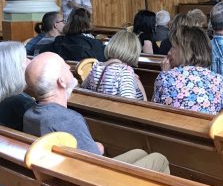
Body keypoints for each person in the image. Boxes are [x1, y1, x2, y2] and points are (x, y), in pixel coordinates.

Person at [24, 52, 170, 172]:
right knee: (159, 158)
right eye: (64, 65)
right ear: (61, 82)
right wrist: (97, 148)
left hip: (66, 170)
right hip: (92, 182)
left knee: (141, 153)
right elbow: (94, 163)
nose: (69, 66)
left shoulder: (30, 114)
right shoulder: (68, 119)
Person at [153, 26, 223, 114]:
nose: (169, 52)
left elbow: (154, 111)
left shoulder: (165, 77)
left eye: (173, 47)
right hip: (208, 127)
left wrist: (165, 73)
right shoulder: (219, 80)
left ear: (185, 51)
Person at [82, 30, 147, 100]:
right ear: (134, 52)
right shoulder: (125, 72)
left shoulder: (96, 67)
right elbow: (129, 102)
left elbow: (83, 89)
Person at [40, 7, 105, 62]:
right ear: (89, 23)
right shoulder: (95, 44)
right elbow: (100, 66)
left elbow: (42, 54)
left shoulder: (56, 42)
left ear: (69, 22)